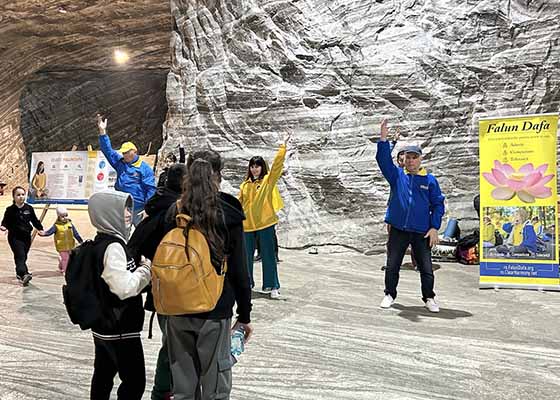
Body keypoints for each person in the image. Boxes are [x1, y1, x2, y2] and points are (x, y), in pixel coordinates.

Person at [163, 150, 253, 400]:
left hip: (177, 308)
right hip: (215, 308)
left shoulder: (175, 211)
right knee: (214, 387)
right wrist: (244, 314)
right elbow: (239, 271)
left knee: (182, 388)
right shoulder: (228, 212)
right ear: (219, 175)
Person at [128, 163, 188, 400]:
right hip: (175, 289)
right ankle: (163, 390)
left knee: (172, 341)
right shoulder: (173, 215)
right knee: (175, 344)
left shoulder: (154, 209)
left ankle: (166, 389)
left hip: (160, 290)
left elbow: (135, 246)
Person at [87, 190, 152, 400]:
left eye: (128, 207)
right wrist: (145, 270)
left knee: (103, 377)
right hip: (120, 328)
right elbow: (123, 288)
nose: (127, 213)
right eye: (122, 208)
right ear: (107, 213)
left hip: (105, 327)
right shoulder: (113, 247)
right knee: (134, 382)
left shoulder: (101, 242)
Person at [375, 119, 445, 313]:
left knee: (426, 269)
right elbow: (383, 161)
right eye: (408, 157)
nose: (411, 160)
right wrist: (383, 139)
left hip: (422, 232)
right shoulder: (397, 176)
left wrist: (434, 227)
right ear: (403, 159)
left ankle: (429, 297)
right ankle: (389, 294)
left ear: (420, 159)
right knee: (392, 265)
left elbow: (438, 204)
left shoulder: (430, 181)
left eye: (415, 157)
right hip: (398, 229)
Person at [239, 133, 290, 299]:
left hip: (265, 224)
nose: (254, 168)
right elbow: (239, 203)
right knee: (246, 258)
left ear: (262, 167)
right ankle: (247, 285)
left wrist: (282, 147)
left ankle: (272, 285)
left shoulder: (268, 181)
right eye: (252, 166)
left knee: (268, 256)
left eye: (258, 166)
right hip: (247, 226)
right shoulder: (245, 185)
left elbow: (276, 167)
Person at [97, 114, 157, 226]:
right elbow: (108, 151)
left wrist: (148, 209)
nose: (124, 155)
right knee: (122, 234)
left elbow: (151, 189)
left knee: (141, 234)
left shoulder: (144, 168)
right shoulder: (120, 163)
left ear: (134, 151)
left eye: (127, 152)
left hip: (138, 209)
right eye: (123, 152)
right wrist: (102, 131)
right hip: (121, 205)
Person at [0, 186, 44, 285]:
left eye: (23, 194)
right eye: (18, 195)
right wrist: (3, 226)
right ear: (14, 197)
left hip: (26, 237)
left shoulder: (29, 208)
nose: (21, 197)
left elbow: (34, 220)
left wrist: (40, 229)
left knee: (23, 256)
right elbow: (5, 221)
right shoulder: (10, 210)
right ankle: (24, 274)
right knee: (20, 255)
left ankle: (20, 273)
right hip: (14, 237)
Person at [38, 205, 84, 273]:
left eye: (66, 215)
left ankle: (61, 264)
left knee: (70, 259)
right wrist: (44, 233)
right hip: (61, 246)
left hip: (71, 245)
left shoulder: (70, 224)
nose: (65, 218)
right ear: (58, 216)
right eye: (62, 216)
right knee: (66, 259)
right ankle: (66, 271)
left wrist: (80, 241)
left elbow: (75, 233)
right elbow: (50, 232)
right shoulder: (56, 226)